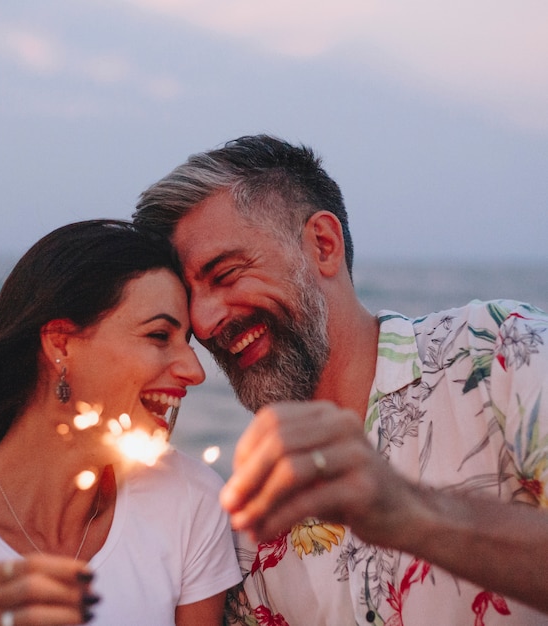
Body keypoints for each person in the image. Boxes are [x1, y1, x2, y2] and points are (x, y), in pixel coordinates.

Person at [133, 135, 548, 625]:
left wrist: (408, 512)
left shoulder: (501, 353)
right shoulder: (250, 529)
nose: (203, 323)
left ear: (323, 246)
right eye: (190, 298)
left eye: (225, 275)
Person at [0, 219, 242, 626]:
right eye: (160, 336)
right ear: (61, 344)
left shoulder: (188, 501)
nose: (194, 371)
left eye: (188, 343)